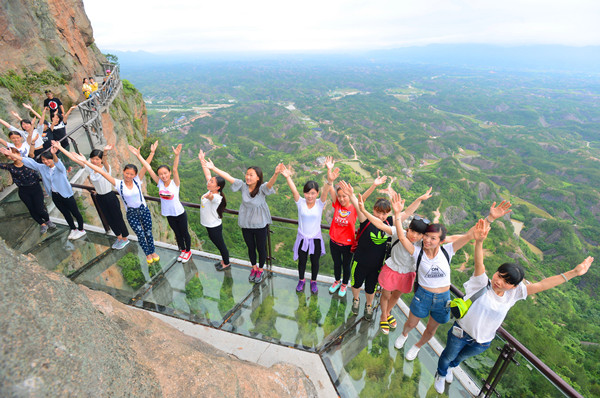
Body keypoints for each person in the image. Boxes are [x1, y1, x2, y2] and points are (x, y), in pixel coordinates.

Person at [433, 220, 594, 393]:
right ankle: (441, 373)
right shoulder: (481, 283)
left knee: (459, 358)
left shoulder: (513, 295)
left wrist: (574, 273)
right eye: (499, 275)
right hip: (461, 333)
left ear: (514, 286)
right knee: (448, 355)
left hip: (483, 341)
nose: (499, 282)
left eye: (507, 281)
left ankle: (450, 368)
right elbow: (479, 262)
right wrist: (479, 241)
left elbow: (542, 285)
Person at [394, 201, 513, 361]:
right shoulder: (417, 252)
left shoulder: (448, 251)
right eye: (426, 236)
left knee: (430, 330)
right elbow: (401, 236)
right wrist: (397, 215)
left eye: (433, 238)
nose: (427, 240)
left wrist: (490, 218)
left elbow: (471, 234)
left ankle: (417, 346)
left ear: (441, 241)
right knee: (411, 323)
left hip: (442, 300)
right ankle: (404, 334)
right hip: (422, 295)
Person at [357, 188, 433, 334]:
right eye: (412, 231)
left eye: (418, 234)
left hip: (407, 273)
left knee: (397, 295)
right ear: (407, 229)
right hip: (392, 269)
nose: (414, 236)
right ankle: (384, 316)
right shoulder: (399, 233)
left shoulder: (421, 244)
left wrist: (419, 199)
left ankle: (388, 312)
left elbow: (409, 211)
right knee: (386, 295)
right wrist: (364, 211)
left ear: (423, 235)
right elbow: (379, 224)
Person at [73, 141, 160, 263]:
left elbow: (146, 167)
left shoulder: (137, 181)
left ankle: (153, 251)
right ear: (123, 172)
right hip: (131, 213)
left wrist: (151, 153)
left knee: (148, 233)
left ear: (135, 175)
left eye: (131, 174)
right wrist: (86, 162)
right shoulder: (118, 183)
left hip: (143, 210)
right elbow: (102, 172)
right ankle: (147, 254)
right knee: (140, 234)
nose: (129, 176)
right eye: (127, 173)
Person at [202, 157, 284, 284]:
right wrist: (213, 168)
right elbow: (228, 177)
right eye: (247, 174)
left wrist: (276, 173)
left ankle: (260, 270)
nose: (248, 177)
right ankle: (254, 268)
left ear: (258, 177)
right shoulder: (242, 186)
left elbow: (270, 184)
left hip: (260, 224)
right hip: (246, 223)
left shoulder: (262, 189)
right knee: (250, 247)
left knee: (261, 248)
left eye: (251, 175)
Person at [325, 159, 385, 298]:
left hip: (348, 244)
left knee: (346, 266)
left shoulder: (354, 207)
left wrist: (374, 185)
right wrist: (329, 172)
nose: (341, 198)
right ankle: (336, 281)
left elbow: (363, 197)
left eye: (344, 196)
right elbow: (330, 186)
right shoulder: (336, 204)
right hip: (334, 241)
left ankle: (345, 284)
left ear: (349, 196)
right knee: (336, 264)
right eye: (339, 196)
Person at [55, 144, 130, 249]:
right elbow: (73, 158)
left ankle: (125, 239)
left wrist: (105, 151)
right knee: (108, 218)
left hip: (110, 196)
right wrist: (60, 148)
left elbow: (105, 160)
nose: (94, 161)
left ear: (101, 160)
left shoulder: (106, 168)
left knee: (117, 218)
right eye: (92, 159)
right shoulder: (90, 169)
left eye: (97, 159)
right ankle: (118, 237)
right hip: (100, 197)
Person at [6, 141, 86, 239]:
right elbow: (27, 161)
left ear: (52, 159)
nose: (46, 161)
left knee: (75, 213)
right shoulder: (43, 168)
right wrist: (12, 155)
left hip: (66, 195)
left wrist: (53, 154)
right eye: (43, 160)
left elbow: (57, 162)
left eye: (48, 159)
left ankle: (81, 230)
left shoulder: (60, 168)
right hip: (55, 195)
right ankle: (73, 229)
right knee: (65, 213)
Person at [338, 179, 392, 321]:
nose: (381, 216)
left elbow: (404, 216)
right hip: (360, 261)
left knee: (371, 287)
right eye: (379, 212)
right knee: (356, 283)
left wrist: (418, 199)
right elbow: (357, 205)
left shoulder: (389, 223)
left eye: (385, 214)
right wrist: (351, 194)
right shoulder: (366, 220)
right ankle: (356, 300)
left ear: (388, 214)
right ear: (373, 210)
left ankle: (368, 305)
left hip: (376, 265)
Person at [131, 143, 192, 263]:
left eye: (165, 173)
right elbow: (148, 168)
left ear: (169, 173)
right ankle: (183, 250)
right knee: (177, 233)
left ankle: (188, 251)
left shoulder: (175, 183)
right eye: (161, 174)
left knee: (185, 233)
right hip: (169, 214)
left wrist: (177, 155)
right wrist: (139, 156)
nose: (163, 176)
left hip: (179, 212)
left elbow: (175, 169)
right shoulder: (159, 183)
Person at [281, 163, 330, 294]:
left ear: (317, 193)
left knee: (315, 262)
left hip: (315, 239)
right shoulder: (300, 202)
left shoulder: (320, 204)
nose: (310, 196)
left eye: (313, 193)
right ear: (304, 193)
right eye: (307, 193)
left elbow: (326, 191)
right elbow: (294, 191)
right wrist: (287, 177)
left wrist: (329, 177)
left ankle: (313, 282)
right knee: (302, 262)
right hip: (302, 238)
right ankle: (301, 280)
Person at [0, 147, 54, 234]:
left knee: (40, 209)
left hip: (36, 188)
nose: (12, 157)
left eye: (13, 154)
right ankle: (42, 224)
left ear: (18, 153)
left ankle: (48, 221)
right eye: (8, 156)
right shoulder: (10, 167)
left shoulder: (28, 163)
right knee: (32, 210)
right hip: (23, 191)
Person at [198, 150, 230, 271]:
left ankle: (226, 263)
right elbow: (207, 173)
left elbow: (212, 198)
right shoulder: (211, 189)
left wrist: (208, 196)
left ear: (217, 187)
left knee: (220, 245)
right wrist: (202, 159)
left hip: (214, 226)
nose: (209, 181)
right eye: (210, 180)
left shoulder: (216, 197)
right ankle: (223, 260)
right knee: (218, 244)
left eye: (212, 181)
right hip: (209, 224)